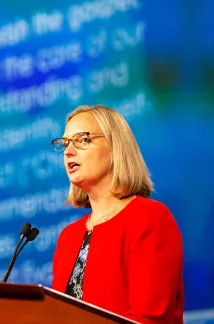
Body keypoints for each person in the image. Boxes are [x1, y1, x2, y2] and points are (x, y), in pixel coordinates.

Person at [50, 104, 184, 324]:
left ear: (115, 148)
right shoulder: (68, 237)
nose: (68, 151)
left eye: (82, 140)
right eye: (65, 143)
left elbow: (149, 318)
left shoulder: (148, 218)